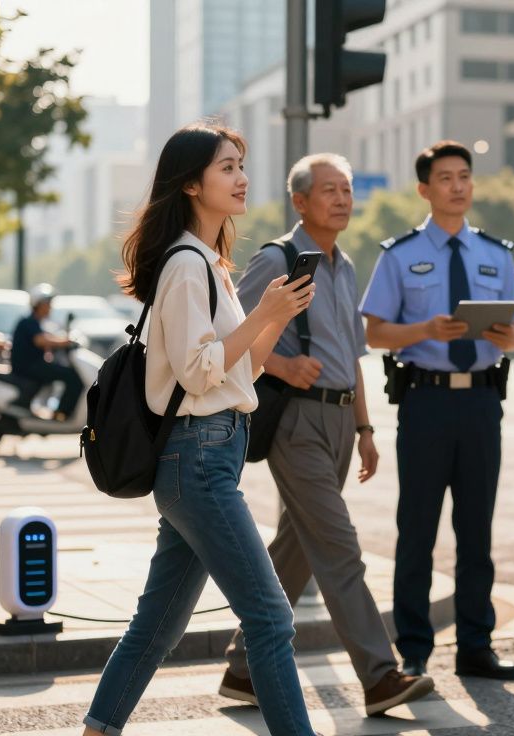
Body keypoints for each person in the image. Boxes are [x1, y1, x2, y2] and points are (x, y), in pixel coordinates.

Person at [82, 123, 318, 736]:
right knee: (270, 618)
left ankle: (96, 730)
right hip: (200, 460)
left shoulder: (210, 264)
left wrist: (275, 318)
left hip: (209, 456)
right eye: (226, 168)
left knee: (156, 626)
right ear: (191, 183)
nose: (241, 178)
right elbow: (199, 370)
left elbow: (246, 366)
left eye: (241, 165)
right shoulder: (187, 264)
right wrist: (263, 312)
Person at [221, 153, 433, 715]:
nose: (343, 199)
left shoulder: (343, 264)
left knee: (299, 547)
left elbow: (353, 355)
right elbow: (229, 336)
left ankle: (243, 671)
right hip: (297, 421)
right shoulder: (278, 259)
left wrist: (365, 427)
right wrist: (284, 367)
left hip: (340, 419)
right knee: (339, 548)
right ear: (300, 201)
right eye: (330, 190)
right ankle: (380, 675)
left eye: (346, 190)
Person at [361, 140, 514, 680]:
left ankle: (475, 646)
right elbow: (376, 331)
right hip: (425, 400)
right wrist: (425, 331)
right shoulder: (400, 254)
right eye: (446, 178)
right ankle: (412, 648)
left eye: (464, 176)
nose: (457, 186)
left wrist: (505, 335)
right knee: (418, 529)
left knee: (476, 528)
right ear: (424, 189)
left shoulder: (495, 254)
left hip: (482, 401)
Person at [11, 284, 82, 420]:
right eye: (48, 303)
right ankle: (61, 414)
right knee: (72, 377)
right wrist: (66, 342)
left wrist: (62, 341)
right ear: (38, 304)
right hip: (28, 367)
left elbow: (47, 338)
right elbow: (40, 340)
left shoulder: (36, 322)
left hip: (33, 365)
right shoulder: (29, 322)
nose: (50, 307)